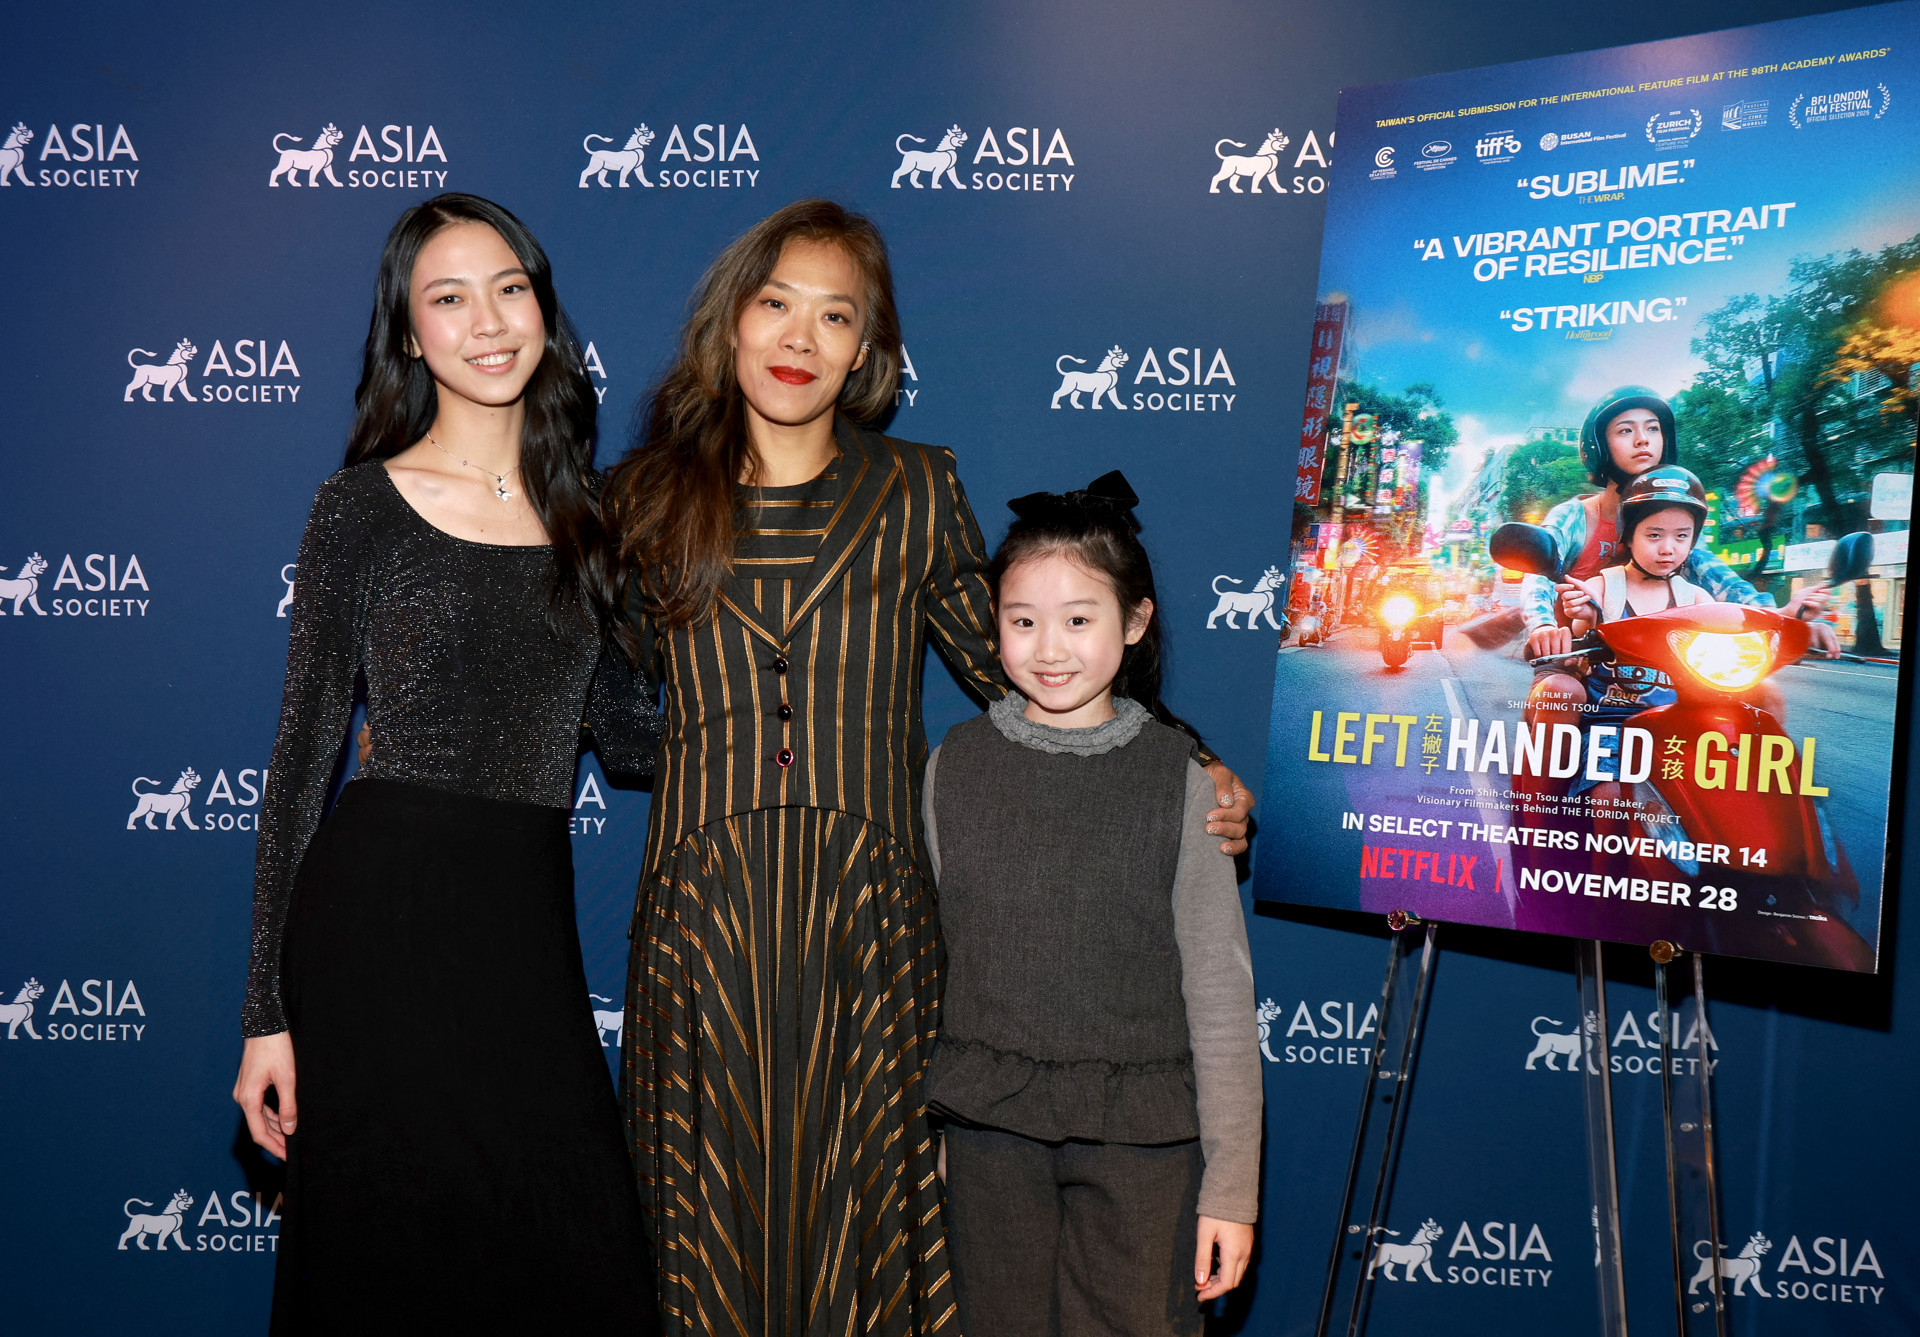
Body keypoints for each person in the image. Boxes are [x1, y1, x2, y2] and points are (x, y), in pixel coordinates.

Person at [602, 199, 1253, 1336]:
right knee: (704, 1226)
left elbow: (1025, 673)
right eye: (776, 305)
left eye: (835, 316)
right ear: (732, 321)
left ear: (868, 352)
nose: (800, 338)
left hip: (875, 925)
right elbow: (605, 707)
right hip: (707, 922)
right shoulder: (645, 499)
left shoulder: (914, 488)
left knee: (876, 1235)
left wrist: (1192, 760)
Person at [232, 194, 661, 1333]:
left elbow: (629, 739)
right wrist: (265, 1014)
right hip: (380, 918)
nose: (487, 320)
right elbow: (302, 753)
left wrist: (775, 687)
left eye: (510, 288)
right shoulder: (359, 509)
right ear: (409, 334)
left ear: (545, 310)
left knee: (579, 1255)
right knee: (386, 1261)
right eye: (449, 296)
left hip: (522, 916)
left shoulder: (595, 522)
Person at [922, 471, 1261, 1337]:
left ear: (1134, 623)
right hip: (990, 1136)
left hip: (1143, 1144)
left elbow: (1220, 1003)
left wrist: (1231, 1190)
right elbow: (937, 958)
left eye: (1080, 618)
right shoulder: (952, 767)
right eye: (1022, 620)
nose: (1049, 647)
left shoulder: (1182, 783)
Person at [1523, 386, 1834, 722]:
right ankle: (1549, 773)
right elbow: (1539, 571)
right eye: (1626, 430)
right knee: (1560, 694)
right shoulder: (1574, 517)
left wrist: (1786, 617)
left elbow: (1724, 585)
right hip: (1577, 653)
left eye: (1653, 428)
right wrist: (1543, 627)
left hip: (1662, 657)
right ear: (1599, 446)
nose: (1643, 439)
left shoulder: (1676, 524)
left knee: (1764, 695)